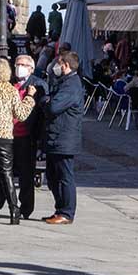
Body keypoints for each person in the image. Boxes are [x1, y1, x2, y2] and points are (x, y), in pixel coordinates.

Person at [0, 57, 36, 225]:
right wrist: (30, 97)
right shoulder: (9, 89)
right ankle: (14, 209)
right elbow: (21, 114)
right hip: (4, 136)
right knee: (7, 173)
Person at [43, 51, 83, 224]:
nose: (55, 67)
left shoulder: (71, 85)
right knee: (53, 176)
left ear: (65, 65)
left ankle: (66, 212)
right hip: (56, 137)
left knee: (64, 176)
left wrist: (44, 101)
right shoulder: (64, 83)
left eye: (58, 63)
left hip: (64, 138)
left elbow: (54, 107)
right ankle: (60, 209)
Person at [11, 53, 45, 220]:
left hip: (27, 135)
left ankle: (25, 208)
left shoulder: (38, 85)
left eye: (23, 65)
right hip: (8, 135)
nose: (19, 67)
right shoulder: (10, 84)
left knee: (26, 174)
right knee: (4, 172)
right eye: (17, 64)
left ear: (31, 69)